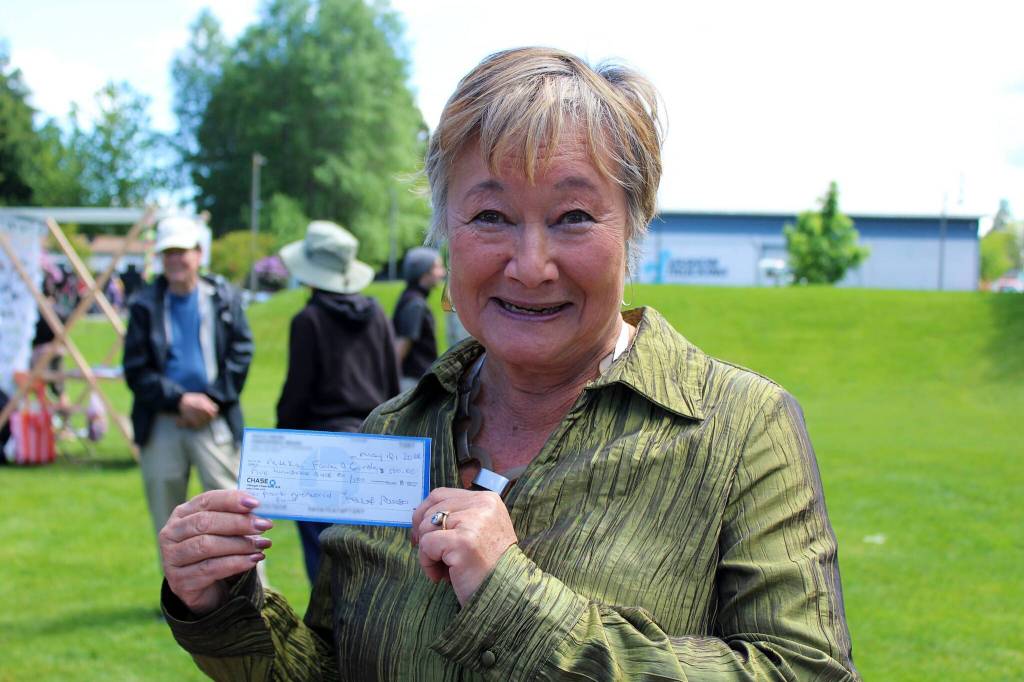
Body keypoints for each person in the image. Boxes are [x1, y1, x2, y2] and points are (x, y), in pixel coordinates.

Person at [158, 48, 859, 680]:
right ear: (446, 232)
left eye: (574, 216)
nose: (530, 265)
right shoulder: (394, 432)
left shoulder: (739, 430)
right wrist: (224, 605)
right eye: (490, 216)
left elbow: (807, 673)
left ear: (632, 227)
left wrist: (516, 600)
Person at [123, 215, 254, 566]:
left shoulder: (223, 297)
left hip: (214, 417)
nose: (175, 260)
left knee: (235, 510)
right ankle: (181, 598)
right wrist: (179, 400)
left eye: (182, 252)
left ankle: (252, 593)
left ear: (198, 253)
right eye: (168, 253)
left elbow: (242, 352)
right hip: (163, 419)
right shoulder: (144, 304)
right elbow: (136, 369)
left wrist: (210, 400)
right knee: (167, 518)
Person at [275, 220, 401, 583]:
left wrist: (283, 440)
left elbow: (297, 394)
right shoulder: (377, 313)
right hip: (373, 443)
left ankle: (331, 639)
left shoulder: (308, 320)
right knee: (372, 562)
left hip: (320, 449)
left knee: (325, 563)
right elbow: (393, 383)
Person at [393, 247, 446, 390]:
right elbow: (401, 346)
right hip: (412, 383)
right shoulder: (415, 304)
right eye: (438, 267)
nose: (443, 273)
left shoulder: (411, 297)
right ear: (425, 272)